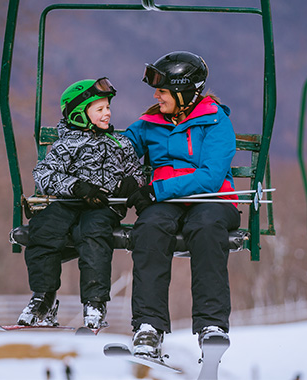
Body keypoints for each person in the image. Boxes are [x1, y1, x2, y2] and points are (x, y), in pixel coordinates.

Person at [121, 51, 240, 359]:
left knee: (206, 226)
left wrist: (155, 190)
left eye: (162, 90)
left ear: (184, 91)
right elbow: (119, 150)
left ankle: (211, 326)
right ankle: (149, 325)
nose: (156, 96)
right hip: (166, 202)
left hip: (210, 200)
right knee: (149, 228)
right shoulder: (149, 123)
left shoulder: (215, 120)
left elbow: (211, 177)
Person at [17, 77, 145, 329]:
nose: (107, 113)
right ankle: (44, 296)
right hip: (68, 201)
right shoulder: (66, 145)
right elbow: (44, 174)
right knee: (43, 229)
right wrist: (75, 186)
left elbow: (139, 173)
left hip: (103, 205)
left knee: (93, 233)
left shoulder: (120, 143)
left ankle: (94, 301)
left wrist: (132, 183)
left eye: (108, 107)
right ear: (79, 114)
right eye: (100, 109)